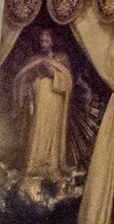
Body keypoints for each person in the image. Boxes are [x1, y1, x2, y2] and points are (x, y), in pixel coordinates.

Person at [15, 29, 76, 179]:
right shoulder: (34, 59)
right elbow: (23, 78)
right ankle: (34, 162)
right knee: (37, 127)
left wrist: (53, 73)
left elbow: (68, 82)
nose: (43, 43)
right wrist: (35, 73)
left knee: (52, 129)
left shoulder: (61, 59)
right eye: (41, 40)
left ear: (52, 42)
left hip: (54, 99)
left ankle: (51, 163)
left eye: (47, 40)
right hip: (39, 98)